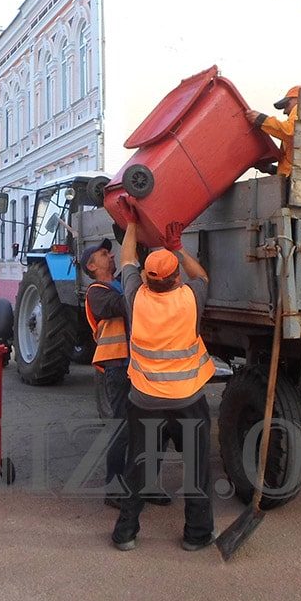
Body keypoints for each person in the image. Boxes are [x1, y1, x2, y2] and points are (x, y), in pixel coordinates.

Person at [110, 197, 216, 552]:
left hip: (145, 400)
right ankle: (196, 536)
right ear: (175, 278)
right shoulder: (191, 298)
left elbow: (126, 258)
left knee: (139, 467)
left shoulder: (134, 298)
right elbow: (202, 275)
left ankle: (126, 533)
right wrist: (179, 249)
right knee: (197, 468)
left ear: (146, 278)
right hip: (188, 399)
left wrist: (132, 224)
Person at [80, 237, 171, 510]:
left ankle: (148, 485)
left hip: (140, 366)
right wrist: (139, 277)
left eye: (110, 252)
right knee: (123, 428)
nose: (110, 256)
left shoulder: (121, 282)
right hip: (118, 368)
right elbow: (126, 304)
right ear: (91, 265)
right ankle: (114, 489)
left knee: (157, 428)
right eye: (104, 254)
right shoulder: (96, 293)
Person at [245, 85, 301, 178]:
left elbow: (292, 132)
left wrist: (262, 120)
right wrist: (271, 169)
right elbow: (292, 167)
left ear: (300, 99)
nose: (284, 111)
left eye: (286, 105)